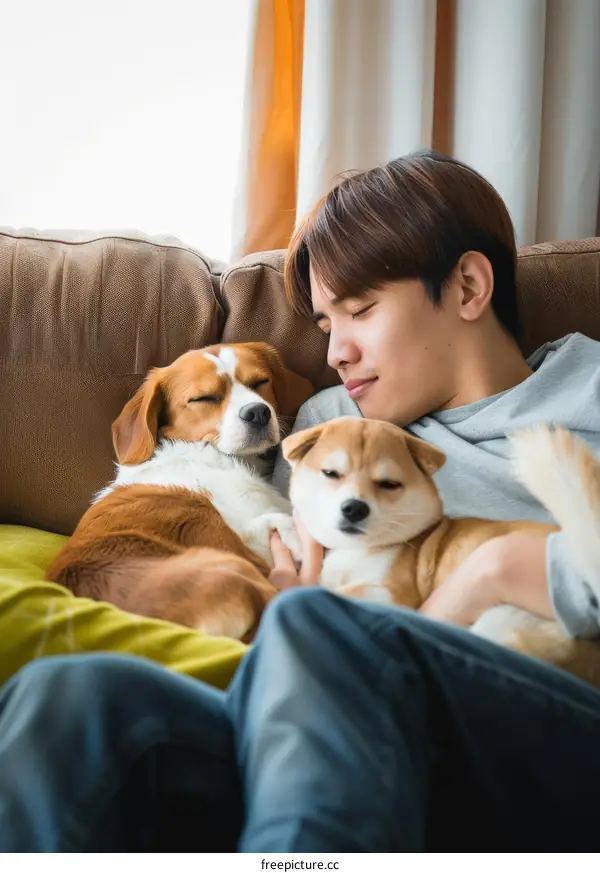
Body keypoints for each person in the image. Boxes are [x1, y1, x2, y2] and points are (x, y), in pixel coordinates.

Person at [2, 149, 600, 852]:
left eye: (361, 310)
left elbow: (322, 622)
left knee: (315, 627)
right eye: (323, 326)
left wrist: (485, 575)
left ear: (468, 286)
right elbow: (288, 578)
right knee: (69, 700)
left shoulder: (585, 389)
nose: (338, 349)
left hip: (540, 719)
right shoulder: (320, 425)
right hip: (338, 721)